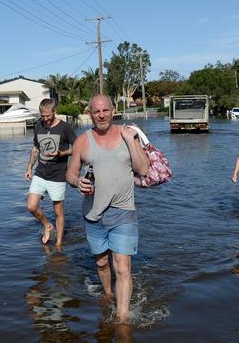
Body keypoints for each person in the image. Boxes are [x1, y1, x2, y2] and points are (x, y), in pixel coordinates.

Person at [66, 94, 150, 322]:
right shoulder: (82, 141)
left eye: (105, 110)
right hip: (94, 213)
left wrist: (131, 141)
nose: (101, 115)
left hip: (123, 211)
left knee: (122, 267)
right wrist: (77, 182)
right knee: (102, 262)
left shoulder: (127, 135)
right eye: (96, 111)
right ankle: (108, 293)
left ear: (113, 110)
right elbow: (71, 173)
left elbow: (143, 170)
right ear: (90, 113)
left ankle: (122, 318)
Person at [25, 99, 77, 248]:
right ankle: (47, 225)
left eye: (48, 116)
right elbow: (35, 148)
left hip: (58, 175)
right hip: (40, 172)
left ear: (54, 112)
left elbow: (78, 147)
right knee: (31, 206)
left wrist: (62, 153)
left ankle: (59, 244)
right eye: (43, 116)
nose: (45, 119)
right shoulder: (38, 126)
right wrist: (29, 167)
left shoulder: (65, 128)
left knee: (58, 211)